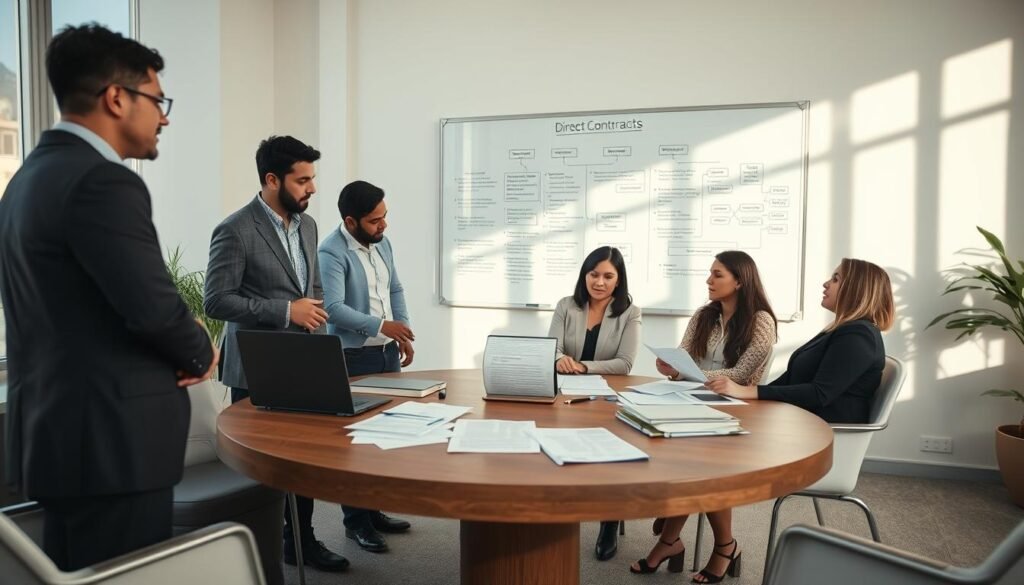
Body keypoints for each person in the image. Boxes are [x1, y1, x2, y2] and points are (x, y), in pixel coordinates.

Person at [0, 24, 217, 570]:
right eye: (157, 99)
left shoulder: (26, 179)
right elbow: (153, 307)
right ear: (117, 98)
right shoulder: (103, 182)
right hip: (113, 446)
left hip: (57, 437)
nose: (164, 116)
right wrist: (199, 350)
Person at [204, 135, 348, 572]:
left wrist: (314, 314)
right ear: (272, 180)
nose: (312, 188)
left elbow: (313, 288)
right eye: (302, 180)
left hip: (302, 363)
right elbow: (215, 301)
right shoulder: (235, 229)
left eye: (312, 178)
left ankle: (300, 540)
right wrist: (286, 311)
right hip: (255, 368)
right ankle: (252, 553)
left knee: (301, 461)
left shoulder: (308, 226)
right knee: (262, 469)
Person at [633, 250, 777, 582]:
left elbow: (740, 376)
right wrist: (671, 369)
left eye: (717, 275)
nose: (708, 281)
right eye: (709, 274)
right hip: (694, 400)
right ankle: (674, 531)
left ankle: (692, 536)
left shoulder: (761, 321)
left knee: (700, 465)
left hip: (739, 410)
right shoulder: (703, 315)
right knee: (651, 432)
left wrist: (692, 374)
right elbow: (686, 359)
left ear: (740, 281)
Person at [317, 180, 413, 553]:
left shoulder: (382, 244)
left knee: (385, 438)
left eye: (385, 217)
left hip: (386, 353)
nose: (383, 226)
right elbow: (334, 309)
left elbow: (395, 290)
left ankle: (374, 511)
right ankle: (356, 522)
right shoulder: (331, 251)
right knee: (354, 444)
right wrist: (380, 326)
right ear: (351, 221)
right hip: (353, 355)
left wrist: (400, 332)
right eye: (375, 221)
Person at [547, 246, 641, 561]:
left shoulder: (630, 311)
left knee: (608, 453)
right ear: (585, 275)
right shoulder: (566, 305)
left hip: (607, 396)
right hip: (567, 393)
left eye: (607, 276)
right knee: (553, 440)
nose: (599, 282)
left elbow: (625, 363)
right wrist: (561, 360)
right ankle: (555, 517)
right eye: (594, 274)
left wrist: (584, 365)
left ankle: (609, 521)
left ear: (618, 280)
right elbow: (554, 348)